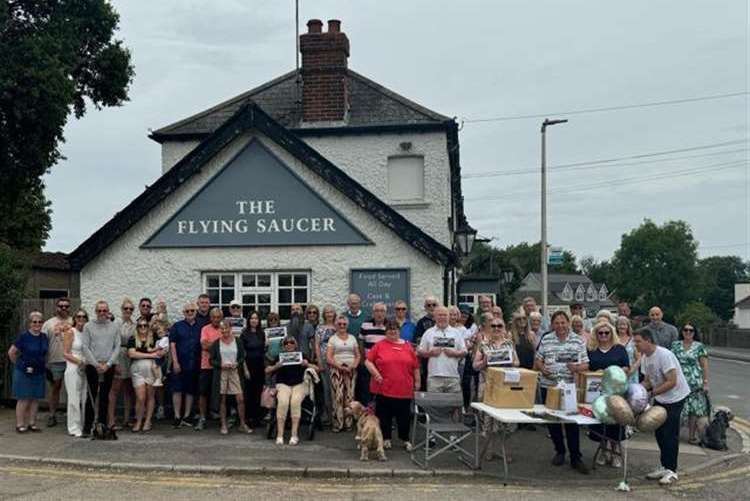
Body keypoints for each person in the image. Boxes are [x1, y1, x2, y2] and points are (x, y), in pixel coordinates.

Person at [534, 310, 590, 474]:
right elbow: (538, 359)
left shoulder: (578, 340)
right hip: (549, 385)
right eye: (557, 323)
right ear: (552, 324)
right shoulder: (547, 339)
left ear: (568, 323)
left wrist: (576, 368)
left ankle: (575, 457)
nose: (560, 326)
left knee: (571, 423)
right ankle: (559, 451)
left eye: (563, 322)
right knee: (552, 421)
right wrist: (543, 369)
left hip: (570, 387)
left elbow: (586, 364)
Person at [635, 330, 690, 485]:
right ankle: (665, 466)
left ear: (648, 340)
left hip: (675, 398)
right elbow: (647, 381)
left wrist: (651, 393)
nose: (636, 345)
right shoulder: (645, 358)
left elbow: (672, 381)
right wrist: (636, 390)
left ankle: (672, 471)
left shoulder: (664, 355)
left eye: (638, 341)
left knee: (669, 434)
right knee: (659, 432)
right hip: (661, 397)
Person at [365, 319, 420, 451]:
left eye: (395, 330)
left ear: (399, 331)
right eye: (390, 330)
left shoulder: (408, 346)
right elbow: (368, 361)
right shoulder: (379, 345)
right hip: (383, 388)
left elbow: (416, 366)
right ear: (386, 332)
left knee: (404, 416)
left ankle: (405, 439)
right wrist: (376, 374)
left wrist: (418, 382)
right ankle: (386, 439)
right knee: (384, 416)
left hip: (404, 388)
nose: (392, 332)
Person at [473, 316, 519, 461]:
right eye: (493, 326)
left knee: (506, 422)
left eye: (499, 326)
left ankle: (505, 452)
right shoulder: (483, 345)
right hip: (488, 386)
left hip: (506, 387)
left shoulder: (509, 344)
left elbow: (517, 363)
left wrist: (511, 361)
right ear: (489, 328)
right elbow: (475, 366)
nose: (496, 328)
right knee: (488, 422)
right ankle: (488, 451)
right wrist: (484, 362)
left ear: (504, 328)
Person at [587, 320, 629, 467]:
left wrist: (612, 372)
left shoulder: (619, 349)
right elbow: (587, 368)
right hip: (597, 392)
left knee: (616, 421)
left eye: (607, 332)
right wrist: (595, 373)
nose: (604, 335)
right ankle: (604, 451)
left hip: (616, 391)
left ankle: (616, 451)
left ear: (612, 333)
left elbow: (626, 368)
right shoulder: (591, 350)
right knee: (601, 420)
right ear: (596, 334)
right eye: (600, 333)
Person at [81, 301, 120, 436]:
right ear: (95, 312)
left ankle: (102, 425)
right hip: (93, 365)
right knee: (91, 396)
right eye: (99, 311)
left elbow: (117, 347)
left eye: (105, 311)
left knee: (104, 396)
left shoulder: (114, 327)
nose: (102, 313)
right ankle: (87, 427)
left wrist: (108, 364)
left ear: (108, 311)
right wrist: (96, 365)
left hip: (108, 365)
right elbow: (85, 347)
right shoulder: (88, 326)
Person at [267, 336, 312, 445]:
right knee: (283, 402)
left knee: (295, 402)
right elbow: (267, 370)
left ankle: (294, 434)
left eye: (291, 342)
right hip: (283, 384)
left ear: (295, 344)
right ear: (283, 346)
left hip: (299, 384)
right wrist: (276, 366)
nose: (289, 345)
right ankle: (280, 435)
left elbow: (317, 368)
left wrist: (307, 364)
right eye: (286, 343)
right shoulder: (279, 357)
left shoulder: (301, 355)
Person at [8, 311, 49, 433]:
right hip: (24, 372)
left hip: (39, 371)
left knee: (35, 398)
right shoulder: (24, 337)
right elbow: (11, 352)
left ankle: (32, 423)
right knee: (23, 399)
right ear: (30, 323)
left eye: (40, 322)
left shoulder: (44, 337)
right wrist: (19, 365)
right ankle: (20, 424)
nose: (37, 324)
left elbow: (45, 353)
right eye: (34, 322)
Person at [210, 320, 252, 435]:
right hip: (222, 373)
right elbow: (211, 360)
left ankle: (242, 424)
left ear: (230, 329)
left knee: (240, 398)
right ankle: (223, 424)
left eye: (226, 328)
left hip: (235, 372)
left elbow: (242, 356)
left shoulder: (237, 342)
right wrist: (221, 364)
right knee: (222, 399)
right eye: (222, 329)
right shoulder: (216, 343)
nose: (224, 331)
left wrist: (237, 363)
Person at [671, 323, 709, 445]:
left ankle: (691, 436)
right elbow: (671, 362)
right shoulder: (675, 345)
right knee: (677, 408)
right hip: (678, 381)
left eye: (691, 330)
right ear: (681, 332)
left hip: (694, 382)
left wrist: (705, 382)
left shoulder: (699, 347)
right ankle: (674, 434)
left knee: (693, 410)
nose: (688, 332)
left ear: (694, 332)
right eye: (685, 330)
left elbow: (704, 366)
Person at [417, 306, 467, 394]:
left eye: (445, 315)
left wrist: (455, 353)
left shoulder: (456, 333)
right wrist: (430, 353)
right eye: (439, 315)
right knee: (434, 406)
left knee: (453, 405)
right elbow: (420, 352)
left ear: (449, 317)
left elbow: (464, 351)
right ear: (434, 317)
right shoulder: (428, 333)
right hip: (434, 377)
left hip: (453, 376)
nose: (442, 318)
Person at [127, 318, 164, 432]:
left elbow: (161, 351)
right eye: (140, 326)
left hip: (151, 369)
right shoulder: (133, 338)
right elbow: (132, 354)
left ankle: (148, 421)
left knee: (150, 396)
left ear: (148, 327)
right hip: (137, 370)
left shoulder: (154, 338)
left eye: (145, 326)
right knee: (140, 397)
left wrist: (154, 354)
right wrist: (151, 355)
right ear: (137, 327)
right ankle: (138, 421)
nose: (143, 328)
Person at [169, 302, 202, 428]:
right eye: (187, 311)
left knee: (190, 390)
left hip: (194, 363)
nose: (190, 313)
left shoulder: (200, 326)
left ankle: (187, 416)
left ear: (195, 312)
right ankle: (177, 416)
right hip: (179, 362)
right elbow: (172, 344)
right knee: (177, 389)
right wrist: (175, 362)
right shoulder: (177, 326)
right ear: (183, 313)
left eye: (192, 311)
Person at [326, 315, 360, 432]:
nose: (341, 326)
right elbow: (329, 357)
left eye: (344, 324)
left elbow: (358, 355)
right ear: (336, 325)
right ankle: (338, 424)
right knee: (338, 396)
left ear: (347, 325)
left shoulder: (352, 338)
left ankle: (348, 423)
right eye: (339, 324)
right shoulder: (333, 339)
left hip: (351, 369)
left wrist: (354, 365)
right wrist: (339, 367)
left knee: (349, 396)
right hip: (336, 369)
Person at [41, 297, 71, 427]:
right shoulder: (48, 324)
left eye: (66, 306)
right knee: (55, 388)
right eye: (61, 306)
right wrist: (44, 361)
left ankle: (72, 416)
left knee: (72, 389)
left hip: (71, 360)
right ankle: (52, 415)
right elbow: (42, 343)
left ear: (69, 307)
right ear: (56, 307)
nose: (63, 308)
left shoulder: (74, 321)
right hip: (54, 361)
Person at [108, 298, 136, 430]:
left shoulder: (134, 323)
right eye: (126, 308)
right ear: (121, 309)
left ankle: (126, 419)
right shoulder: (116, 323)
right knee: (115, 389)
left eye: (131, 309)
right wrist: (115, 362)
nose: (128, 311)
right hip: (118, 354)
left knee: (128, 389)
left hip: (130, 355)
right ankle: (111, 420)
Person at [196, 308, 223, 431]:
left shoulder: (224, 328)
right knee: (203, 393)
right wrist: (219, 345)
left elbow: (228, 344)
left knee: (220, 393)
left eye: (218, 317)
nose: (216, 319)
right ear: (210, 318)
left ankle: (220, 417)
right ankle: (202, 418)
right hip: (206, 365)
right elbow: (204, 345)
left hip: (220, 366)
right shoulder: (205, 329)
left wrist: (212, 344)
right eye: (214, 317)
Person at [63, 309, 88, 437]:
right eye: (78, 316)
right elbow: (66, 353)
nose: (81, 318)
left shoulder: (86, 333)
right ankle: (73, 427)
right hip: (73, 367)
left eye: (84, 316)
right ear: (75, 318)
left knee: (84, 398)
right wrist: (79, 362)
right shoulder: (70, 332)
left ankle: (83, 425)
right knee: (74, 399)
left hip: (85, 368)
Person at [357, 302, 387, 404]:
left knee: (382, 390)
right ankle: (367, 415)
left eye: (382, 311)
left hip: (384, 365)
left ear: (385, 313)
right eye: (377, 311)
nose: (379, 314)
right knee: (366, 390)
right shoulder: (365, 325)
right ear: (373, 313)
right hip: (368, 363)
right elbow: (361, 341)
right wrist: (362, 359)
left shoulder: (390, 325)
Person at [241, 310, 266, 427]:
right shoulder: (244, 334)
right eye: (252, 318)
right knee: (248, 392)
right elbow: (242, 353)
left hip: (260, 366)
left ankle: (257, 418)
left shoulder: (262, 333)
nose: (254, 320)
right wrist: (245, 369)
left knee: (258, 392)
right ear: (248, 320)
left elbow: (264, 350)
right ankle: (248, 418)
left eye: (256, 318)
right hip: (248, 366)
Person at [314, 305, 337, 427]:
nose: (329, 314)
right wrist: (319, 361)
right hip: (324, 360)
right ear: (324, 314)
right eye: (327, 312)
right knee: (326, 388)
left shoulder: (339, 326)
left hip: (336, 361)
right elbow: (317, 345)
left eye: (331, 312)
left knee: (336, 388)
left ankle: (336, 415)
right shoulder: (320, 328)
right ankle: (327, 415)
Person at [414, 296, 438, 390]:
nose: (431, 307)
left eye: (434, 305)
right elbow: (418, 340)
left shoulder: (441, 320)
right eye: (429, 305)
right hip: (426, 359)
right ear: (425, 307)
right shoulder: (421, 322)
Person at [616, 316, 640, 384]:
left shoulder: (633, 340)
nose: (622, 326)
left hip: (631, 373)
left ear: (628, 326)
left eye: (624, 324)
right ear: (616, 326)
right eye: (620, 324)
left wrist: (632, 370)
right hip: (616, 374)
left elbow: (639, 359)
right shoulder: (613, 340)